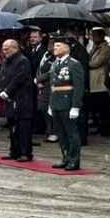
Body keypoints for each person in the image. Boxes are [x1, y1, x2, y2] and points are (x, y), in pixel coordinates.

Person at [45, 34, 84, 170]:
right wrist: (50, 104)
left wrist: (75, 106)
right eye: (54, 46)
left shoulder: (74, 64)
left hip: (68, 102)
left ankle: (74, 160)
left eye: (58, 46)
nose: (55, 48)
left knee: (71, 133)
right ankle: (65, 157)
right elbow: (52, 86)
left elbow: (78, 87)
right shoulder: (55, 63)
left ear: (67, 48)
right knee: (61, 133)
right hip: (56, 102)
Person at [0, 38, 34, 161]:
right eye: (3, 48)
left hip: (22, 99)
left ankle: (25, 153)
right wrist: (1, 90)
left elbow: (19, 78)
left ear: (15, 48)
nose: (4, 50)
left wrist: (7, 91)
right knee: (12, 127)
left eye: (7, 48)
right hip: (10, 99)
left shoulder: (22, 61)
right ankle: (14, 151)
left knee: (23, 127)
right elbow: (2, 76)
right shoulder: (6, 61)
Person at [84, 27, 110, 141]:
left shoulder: (106, 48)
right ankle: (101, 127)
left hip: (100, 79)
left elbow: (95, 63)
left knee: (104, 107)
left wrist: (86, 62)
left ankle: (108, 129)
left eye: (95, 35)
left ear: (101, 36)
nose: (93, 37)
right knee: (97, 106)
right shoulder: (94, 48)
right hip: (93, 80)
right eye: (92, 35)